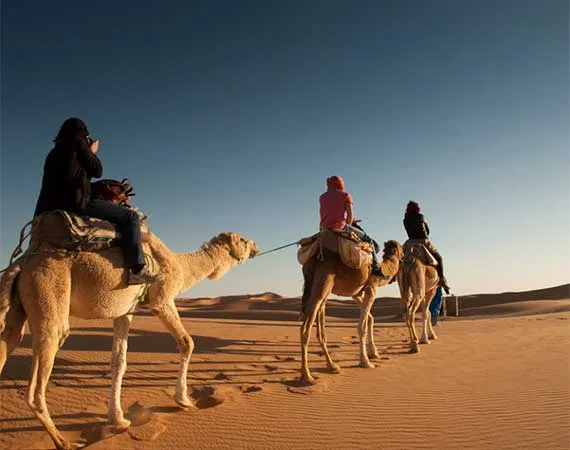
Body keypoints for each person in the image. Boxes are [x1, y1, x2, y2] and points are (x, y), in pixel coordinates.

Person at [34, 117, 159, 285]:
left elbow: (72, 178)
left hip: (47, 208)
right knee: (131, 218)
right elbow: (97, 170)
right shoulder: (78, 144)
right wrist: (92, 151)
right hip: (76, 205)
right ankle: (137, 270)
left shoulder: (53, 152)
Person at [319, 175, 387, 278]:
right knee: (370, 241)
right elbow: (350, 217)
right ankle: (376, 269)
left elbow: (326, 213)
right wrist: (349, 223)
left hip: (324, 228)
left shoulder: (322, 197)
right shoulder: (345, 195)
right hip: (340, 227)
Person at [403, 200, 450, 294]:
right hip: (423, 242)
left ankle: (393, 277)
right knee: (439, 259)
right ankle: (442, 279)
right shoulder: (421, 216)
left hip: (409, 243)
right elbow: (427, 231)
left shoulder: (405, 220)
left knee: (400, 260)